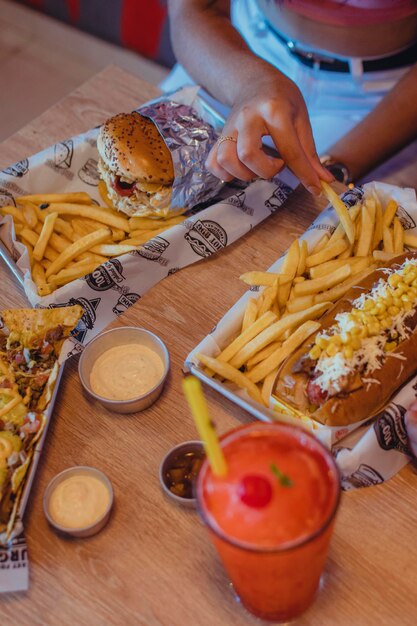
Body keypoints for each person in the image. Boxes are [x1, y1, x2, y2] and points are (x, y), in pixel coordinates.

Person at [166, 1, 417, 193]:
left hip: (385, 98)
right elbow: (193, 9)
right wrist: (250, 83)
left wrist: (337, 168)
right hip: (232, 52)